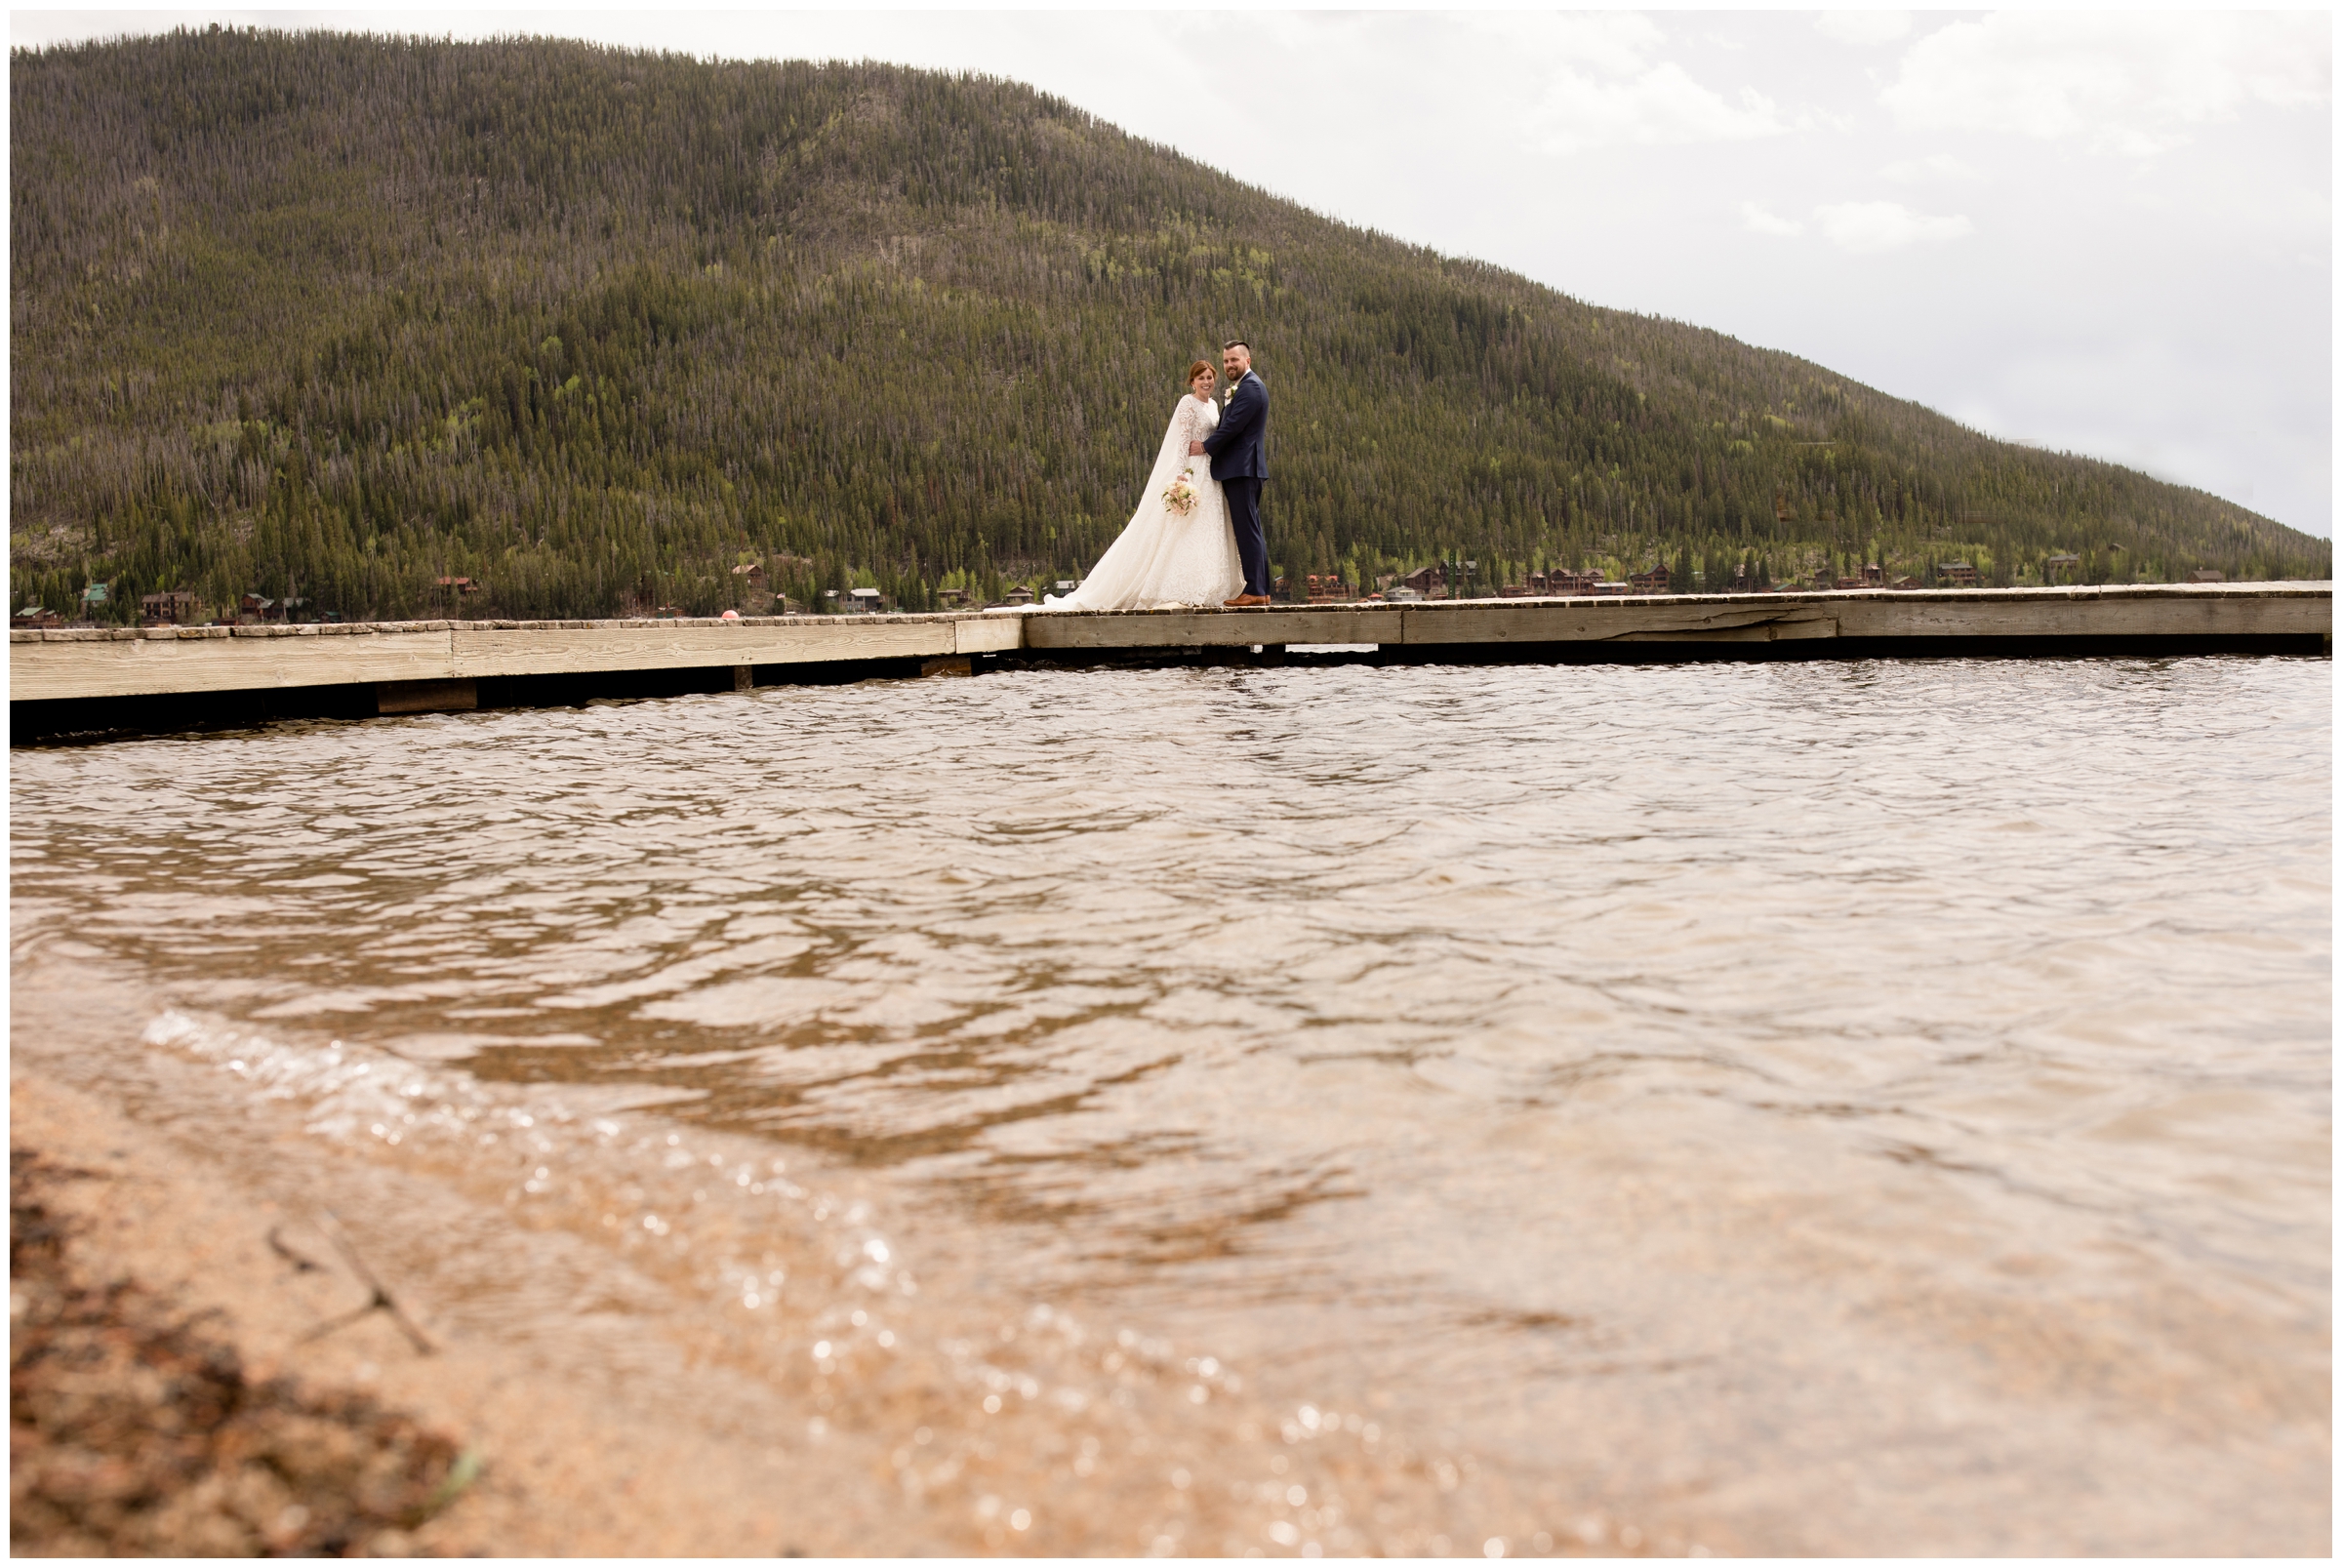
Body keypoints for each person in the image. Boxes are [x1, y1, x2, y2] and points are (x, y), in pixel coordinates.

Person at [1037, 361, 1244, 612]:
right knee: (1182, 528)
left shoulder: (1213, 405)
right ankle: (1174, 587)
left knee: (1208, 528)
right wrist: (1181, 476)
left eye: (1210, 377)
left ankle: (1209, 586)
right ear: (1192, 381)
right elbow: (1182, 441)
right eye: (1201, 378)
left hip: (1211, 473)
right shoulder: (1187, 403)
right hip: (1193, 469)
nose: (1206, 382)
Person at [1196, 340, 1271, 606]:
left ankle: (1255, 590)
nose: (1229, 365)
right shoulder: (1245, 387)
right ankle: (1261, 590)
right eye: (1226, 361)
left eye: (1234, 360)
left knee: (1247, 529)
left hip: (1243, 468)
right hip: (1243, 468)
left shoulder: (1250, 389)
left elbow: (1232, 428)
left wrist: (1205, 446)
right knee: (1251, 528)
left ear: (1247, 361)